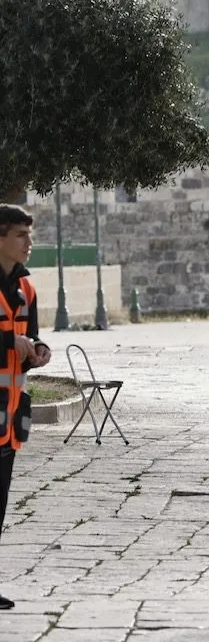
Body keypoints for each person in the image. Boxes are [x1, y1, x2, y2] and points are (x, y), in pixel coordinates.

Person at [0, 205, 52, 612]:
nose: (29, 243)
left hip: (9, 414)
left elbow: (30, 333)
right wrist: (7, 344)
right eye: (21, 235)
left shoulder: (27, 288)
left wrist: (38, 348)